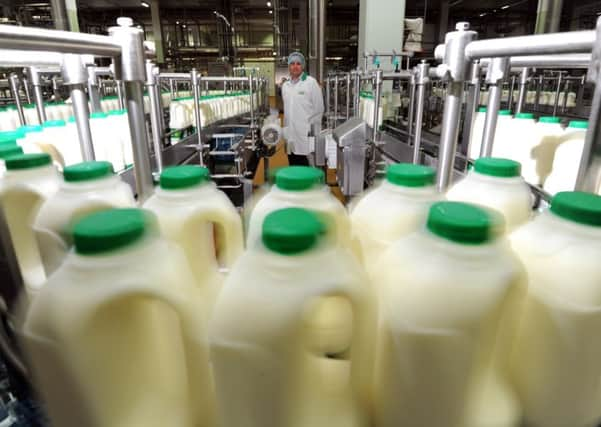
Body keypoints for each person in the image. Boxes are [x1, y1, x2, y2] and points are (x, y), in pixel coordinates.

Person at [281, 51, 324, 166]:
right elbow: (287, 112)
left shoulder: (311, 83)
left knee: (308, 169)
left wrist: (314, 133)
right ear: (289, 66)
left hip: (305, 136)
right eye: (292, 63)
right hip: (290, 135)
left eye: (298, 64)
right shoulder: (285, 86)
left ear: (303, 66)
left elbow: (319, 109)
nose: (295, 66)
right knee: (293, 166)